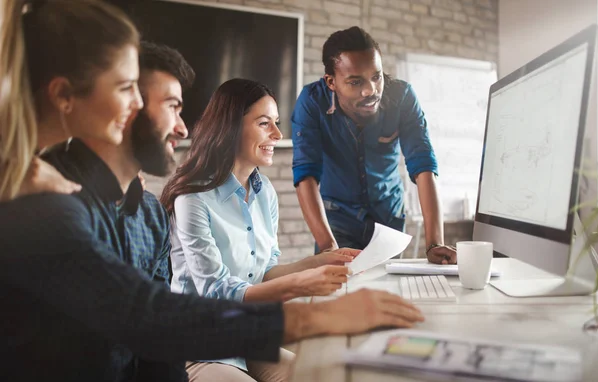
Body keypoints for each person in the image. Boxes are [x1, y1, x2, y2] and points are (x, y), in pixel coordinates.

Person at [0, 2, 424, 380]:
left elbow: (154, 347)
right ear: (64, 96)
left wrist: (315, 276)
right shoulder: (46, 208)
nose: (181, 127)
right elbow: (149, 316)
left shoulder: (146, 212)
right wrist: (312, 317)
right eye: (127, 88)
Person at [161, 78, 358, 381]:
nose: (278, 135)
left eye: (276, 123)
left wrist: (322, 261)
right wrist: (302, 284)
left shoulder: (264, 192)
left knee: (322, 376)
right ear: (231, 127)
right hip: (199, 346)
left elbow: (264, 271)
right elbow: (217, 291)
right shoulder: (193, 200)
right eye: (265, 123)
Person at [42, 41, 192, 381]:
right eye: (172, 106)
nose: (183, 129)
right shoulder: (53, 199)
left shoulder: (152, 215)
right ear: (126, 106)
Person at [291, 26, 457, 264]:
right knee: (340, 293)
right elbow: (305, 173)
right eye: (355, 82)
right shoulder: (312, 102)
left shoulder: (402, 97)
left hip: (389, 219)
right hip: (337, 219)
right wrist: (328, 247)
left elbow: (423, 165)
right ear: (331, 82)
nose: (370, 90)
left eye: (376, 77)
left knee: (386, 292)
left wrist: (434, 243)